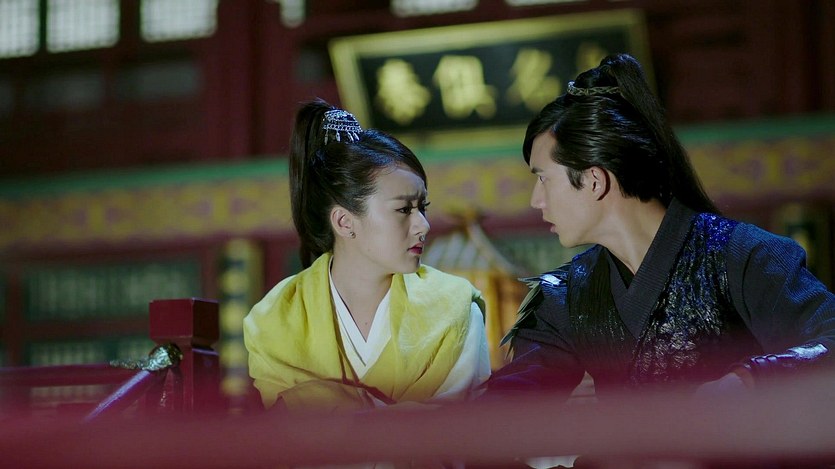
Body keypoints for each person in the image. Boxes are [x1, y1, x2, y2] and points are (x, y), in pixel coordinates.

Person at [485, 53, 835, 401]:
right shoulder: (566, 295)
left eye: (543, 179)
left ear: (594, 180)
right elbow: (511, 402)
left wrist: (748, 379)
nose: (536, 200)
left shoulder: (742, 256)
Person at [244, 99, 491, 413]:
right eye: (404, 209)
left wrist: (336, 408)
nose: (423, 225)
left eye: (422, 208)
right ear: (344, 222)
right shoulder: (275, 318)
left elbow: (456, 428)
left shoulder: (454, 307)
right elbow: (288, 435)